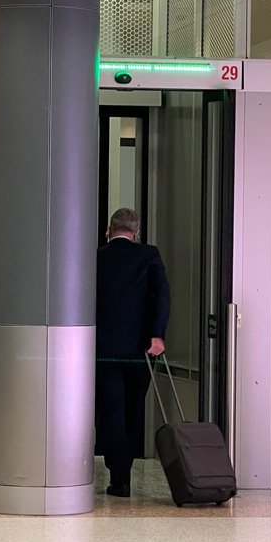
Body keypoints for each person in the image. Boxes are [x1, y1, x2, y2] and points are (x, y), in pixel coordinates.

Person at [95, 208, 171, 498]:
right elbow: (162, 294)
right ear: (136, 232)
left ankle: (120, 475)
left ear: (109, 229)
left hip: (103, 351)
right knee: (133, 408)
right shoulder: (149, 255)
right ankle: (125, 466)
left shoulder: (97, 258)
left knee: (110, 410)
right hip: (140, 350)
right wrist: (157, 334)